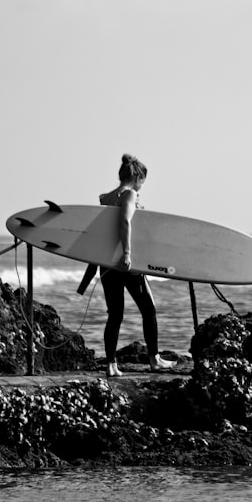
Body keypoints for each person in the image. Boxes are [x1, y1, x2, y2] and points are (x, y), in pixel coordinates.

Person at [98, 154, 176, 377]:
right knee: (148, 310)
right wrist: (127, 253)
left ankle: (111, 365)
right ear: (138, 177)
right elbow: (124, 221)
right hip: (127, 264)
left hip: (106, 264)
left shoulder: (105, 198)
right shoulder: (130, 194)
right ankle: (154, 360)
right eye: (143, 180)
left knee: (115, 314)